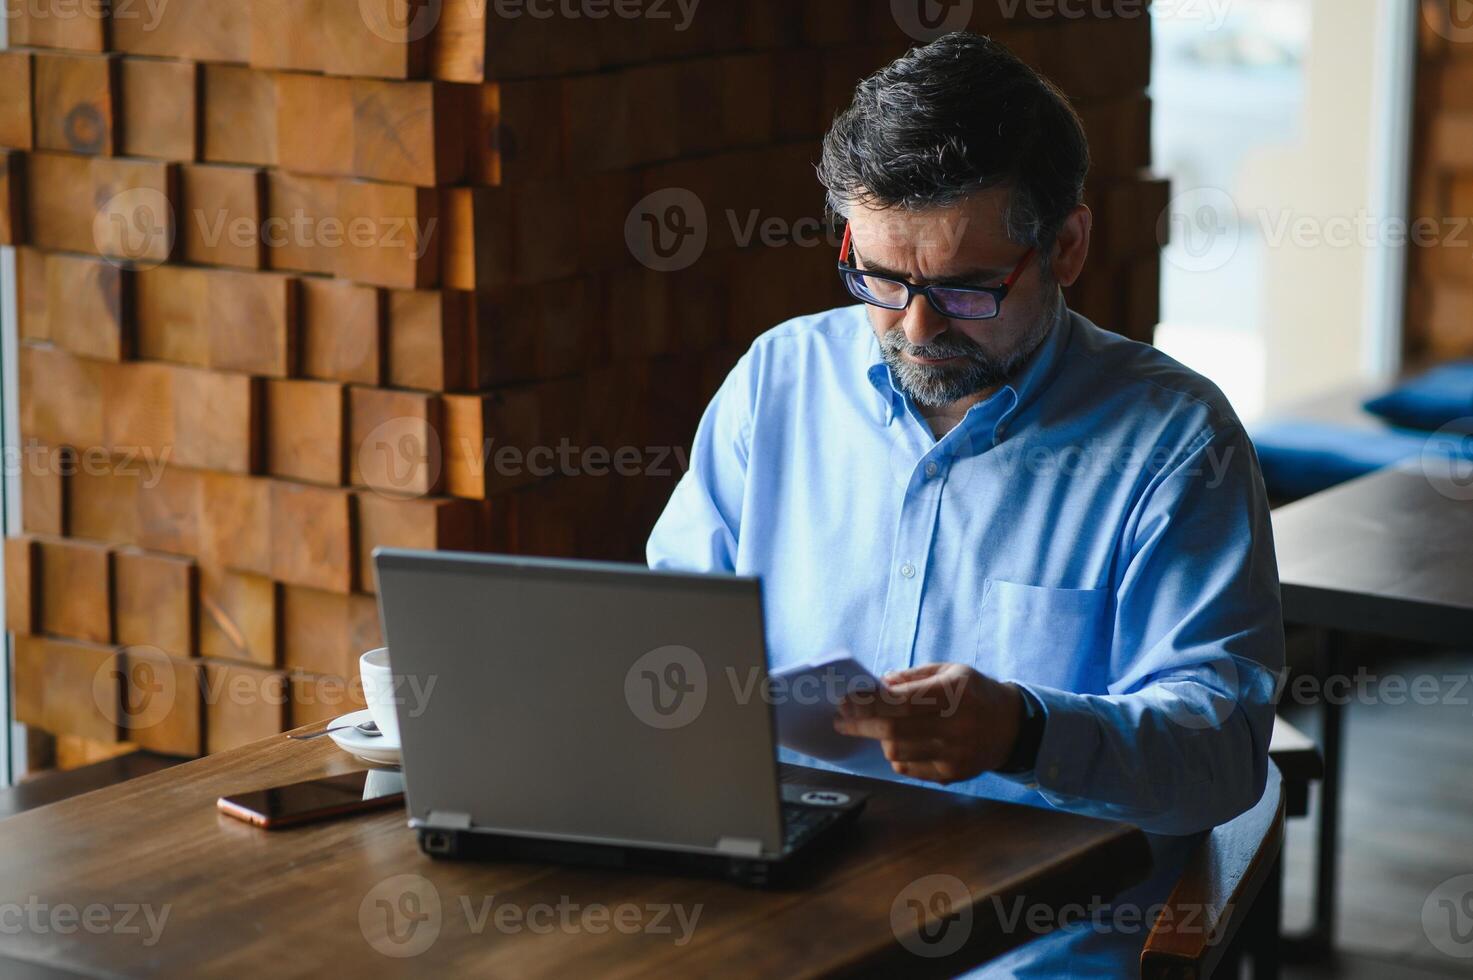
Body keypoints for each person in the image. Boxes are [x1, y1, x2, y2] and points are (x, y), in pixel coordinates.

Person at [647, 32, 1283, 975]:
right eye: (879, 277)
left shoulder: (1173, 441)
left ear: (1064, 246)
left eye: (963, 288)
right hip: (779, 918)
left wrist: (1027, 730)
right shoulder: (778, 381)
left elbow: (1221, 749)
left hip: (1033, 947)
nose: (911, 325)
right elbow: (673, 640)